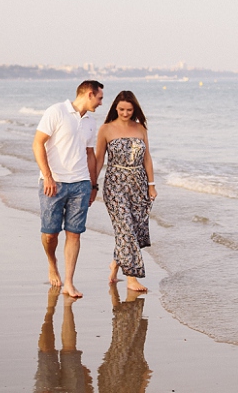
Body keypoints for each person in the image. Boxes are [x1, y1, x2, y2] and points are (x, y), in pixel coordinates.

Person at [33, 80, 104, 298]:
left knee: (74, 234)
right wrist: (48, 177)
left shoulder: (91, 122)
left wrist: (93, 185)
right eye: (100, 98)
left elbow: (90, 155)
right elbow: (38, 143)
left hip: (81, 184)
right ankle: (52, 262)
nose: (101, 103)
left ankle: (69, 283)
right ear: (89, 94)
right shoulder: (56, 111)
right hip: (54, 183)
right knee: (50, 234)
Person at [94, 90, 156, 292]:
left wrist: (151, 185)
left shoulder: (141, 129)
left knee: (132, 230)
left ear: (134, 109)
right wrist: (92, 184)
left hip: (138, 185)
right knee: (126, 228)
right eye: (121, 109)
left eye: (129, 110)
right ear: (115, 108)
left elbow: (147, 158)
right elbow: (99, 159)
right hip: (115, 186)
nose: (125, 113)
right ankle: (132, 278)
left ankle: (115, 263)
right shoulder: (105, 129)